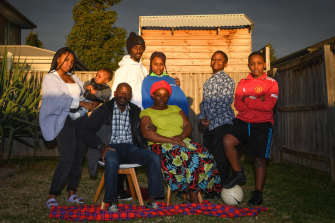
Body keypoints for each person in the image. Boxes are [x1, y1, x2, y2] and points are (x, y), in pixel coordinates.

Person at [82, 83, 164, 212]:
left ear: (130, 96)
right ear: (115, 93)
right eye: (120, 92)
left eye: (127, 93)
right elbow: (86, 131)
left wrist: (151, 128)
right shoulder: (104, 110)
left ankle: (152, 200)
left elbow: (142, 130)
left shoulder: (136, 111)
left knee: (154, 157)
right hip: (110, 147)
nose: (123, 95)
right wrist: (101, 146)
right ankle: (112, 202)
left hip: (130, 148)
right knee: (112, 160)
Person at [140, 80, 222, 203]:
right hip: (161, 145)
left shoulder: (176, 108)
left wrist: (181, 136)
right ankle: (193, 195)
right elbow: (147, 134)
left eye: (165, 95)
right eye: (158, 95)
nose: (162, 98)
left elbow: (188, 125)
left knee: (206, 155)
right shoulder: (147, 112)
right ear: (152, 95)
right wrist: (171, 140)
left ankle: (196, 190)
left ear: (169, 96)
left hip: (182, 141)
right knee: (191, 156)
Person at [39, 47, 98, 209]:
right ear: (58, 59)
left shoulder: (73, 77)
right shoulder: (51, 78)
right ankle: (52, 195)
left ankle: (72, 193)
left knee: (79, 156)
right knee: (67, 157)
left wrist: (91, 98)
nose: (69, 63)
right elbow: (58, 100)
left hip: (80, 119)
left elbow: (82, 93)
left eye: (72, 61)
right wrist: (82, 103)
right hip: (63, 119)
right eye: (66, 60)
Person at [222, 51, 279, 206]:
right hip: (242, 122)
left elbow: (268, 106)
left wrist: (248, 99)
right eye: (252, 63)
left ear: (264, 65)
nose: (256, 66)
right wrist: (257, 100)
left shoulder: (271, 83)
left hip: (262, 124)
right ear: (249, 65)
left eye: (259, 63)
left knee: (258, 159)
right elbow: (238, 105)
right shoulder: (243, 82)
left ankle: (258, 193)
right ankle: (238, 173)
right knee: (227, 141)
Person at [198, 51, 235, 198]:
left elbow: (224, 102)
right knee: (209, 157)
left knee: (221, 157)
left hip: (222, 124)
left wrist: (209, 119)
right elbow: (205, 103)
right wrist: (202, 118)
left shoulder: (228, 80)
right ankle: (211, 187)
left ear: (225, 63)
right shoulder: (209, 81)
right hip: (209, 126)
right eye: (213, 59)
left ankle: (223, 187)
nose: (216, 62)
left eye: (219, 60)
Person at [141, 51, 188, 116]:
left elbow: (182, 101)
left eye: (161, 64)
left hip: (174, 117)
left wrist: (185, 116)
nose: (158, 67)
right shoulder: (147, 80)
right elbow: (146, 102)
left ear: (164, 65)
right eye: (155, 64)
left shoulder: (172, 81)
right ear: (151, 64)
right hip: (156, 117)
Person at [111, 32, 147, 109]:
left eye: (141, 48)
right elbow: (114, 93)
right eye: (135, 47)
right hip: (130, 111)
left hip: (144, 111)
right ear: (129, 49)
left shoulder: (144, 69)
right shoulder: (123, 70)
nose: (138, 50)